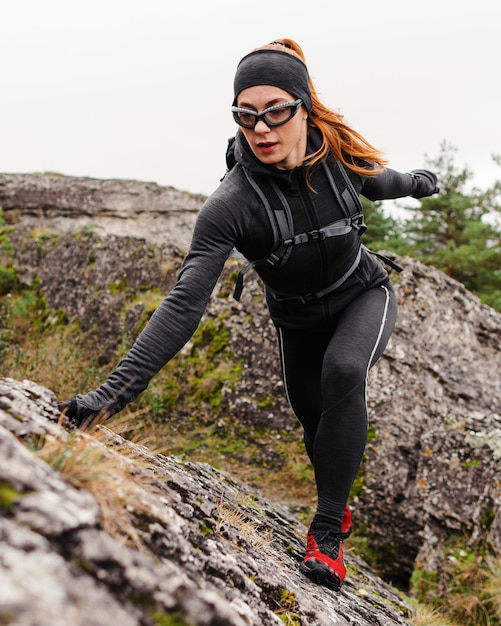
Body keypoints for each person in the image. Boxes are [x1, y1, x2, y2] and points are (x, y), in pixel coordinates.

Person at [58, 38, 438, 591]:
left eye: (276, 112)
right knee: (316, 429)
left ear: (304, 108)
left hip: (363, 294)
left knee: (344, 373)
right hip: (296, 322)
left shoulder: (339, 161)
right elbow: (185, 302)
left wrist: (422, 183)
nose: (261, 129)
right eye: (246, 115)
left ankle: (327, 534)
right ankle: (336, 495)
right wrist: (108, 398)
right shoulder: (231, 204)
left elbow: (387, 182)